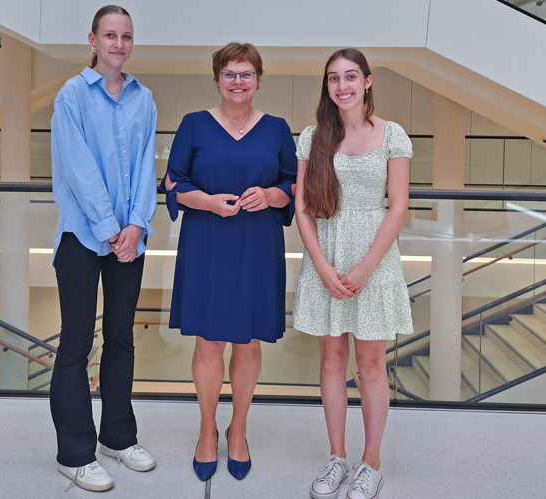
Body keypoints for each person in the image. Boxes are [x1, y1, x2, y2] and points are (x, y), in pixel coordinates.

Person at [161, 42, 297, 481]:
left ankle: (237, 429)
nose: (238, 82)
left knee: (249, 342)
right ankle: (206, 430)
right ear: (217, 78)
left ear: (258, 79)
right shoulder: (194, 125)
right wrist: (207, 201)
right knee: (208, 343)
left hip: (257, 244)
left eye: (246, 74)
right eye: (230, 74)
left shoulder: (276, 128)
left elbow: (292, 185)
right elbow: (174, 182)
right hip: (207, 242)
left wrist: (271, 194)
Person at [293, 48, 414, 499]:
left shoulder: (391, 134)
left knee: (369, 365)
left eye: (350, 77)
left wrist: (365, 267)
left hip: (375, 259)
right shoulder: (313, 136)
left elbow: (398, 205)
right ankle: (337, 457)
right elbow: (303, 208)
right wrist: (323, 267)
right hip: (326, 257)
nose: (341, 86)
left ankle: (372, 462)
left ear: (367, 81)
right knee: (330, 360)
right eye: (332, 78)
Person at [48, 4, 158, 493]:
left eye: (126, 36)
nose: (118, 43)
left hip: (127, 239)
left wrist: (136, 224)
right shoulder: (71, 94)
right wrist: (111, 226)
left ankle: (117, 436)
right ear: (92, 39)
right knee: (76, 342)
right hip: (80, 234)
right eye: (110, 35)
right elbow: (78, 167)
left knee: (121, 338)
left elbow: (146, 167)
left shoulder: (144, 99)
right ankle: (74, 453)